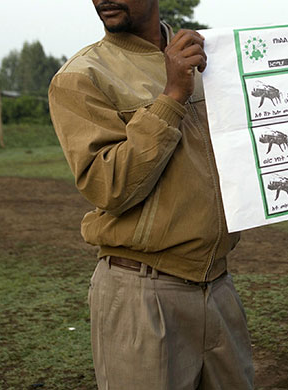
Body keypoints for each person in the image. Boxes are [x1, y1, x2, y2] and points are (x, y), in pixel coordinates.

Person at [48, 1, 254, 389]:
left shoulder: (211, 59)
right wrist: (172, 95)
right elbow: (108, 186)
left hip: (219, 287)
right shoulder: (82, 76)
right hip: (142, 296)